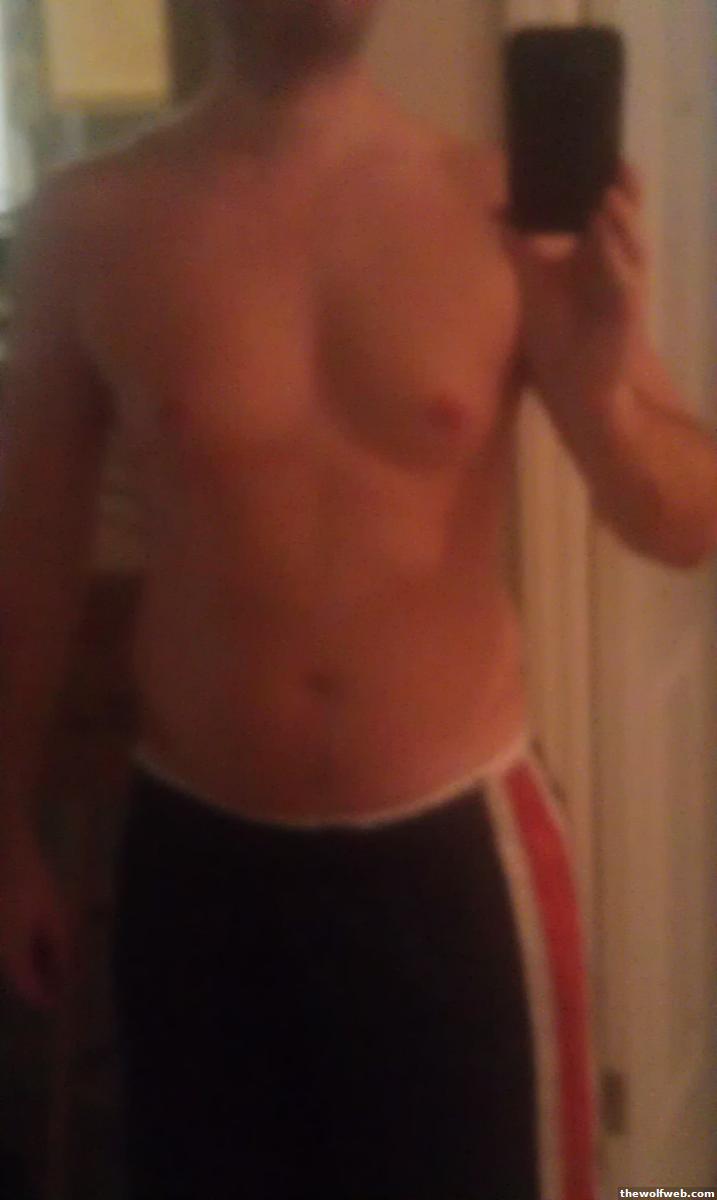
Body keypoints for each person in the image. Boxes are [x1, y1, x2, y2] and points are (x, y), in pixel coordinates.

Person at [2, 1, 717, 1197]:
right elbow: (32, 547)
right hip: (200, 866)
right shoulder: (90, 223)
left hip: (459, 870)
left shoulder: (502, 212)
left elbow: (685, 523)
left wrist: (602, 397)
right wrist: (4, 825)